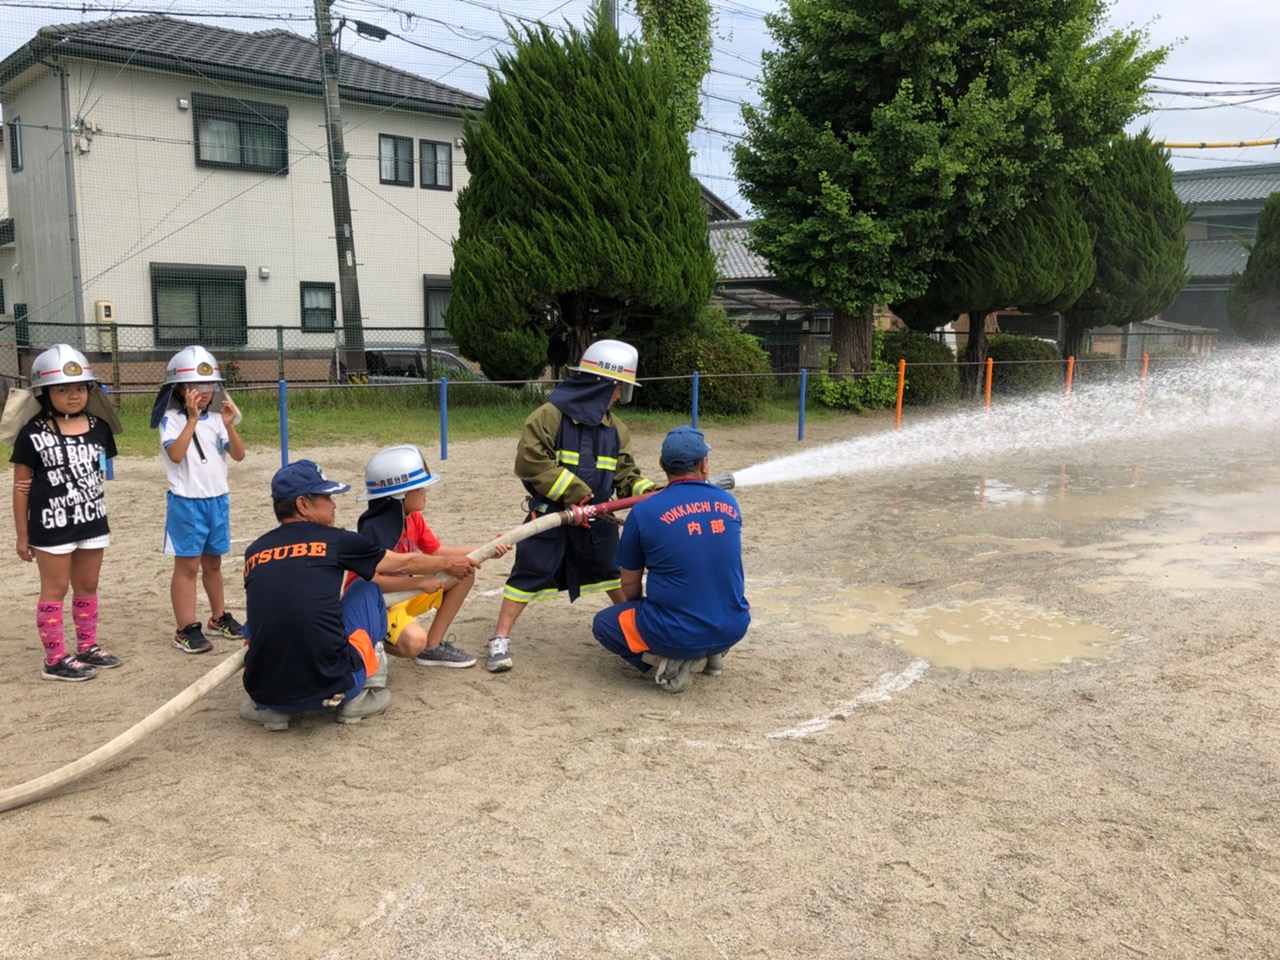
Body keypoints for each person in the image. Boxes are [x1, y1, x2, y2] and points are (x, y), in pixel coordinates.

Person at [239, 460, 481, 731]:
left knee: (265, 608)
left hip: (264, 692)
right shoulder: (336, 540)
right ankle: (366, 689)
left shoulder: (254, 552)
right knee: (366, 589)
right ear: (303, 505)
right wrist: (447, 565)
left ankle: (272, 710)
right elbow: (404, 563)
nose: (333, 504)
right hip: (336, 686)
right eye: (326, 497)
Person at [485, 339, 656, 673]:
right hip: (549, 518)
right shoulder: (548, 417)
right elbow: (531, 462)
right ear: (600, 385)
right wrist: (576, 493)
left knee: (611, 574)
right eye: (618, 388)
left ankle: (640, 632)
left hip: (598, 521)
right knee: (529, 573)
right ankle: (499, 637)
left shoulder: (615, 428)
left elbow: (627, 474)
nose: (620, 395)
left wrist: (651, 492)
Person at [591, 425, 750, 693]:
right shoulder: (729, 503)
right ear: (705, 465)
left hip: (675, 632)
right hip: (734, 625)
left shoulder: (644, 511)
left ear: (662, 464)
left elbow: (628, 582)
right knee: (712, 591)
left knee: (605, 624)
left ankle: (672, 660)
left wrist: (638, 610)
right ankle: (713, 653)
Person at [8, 344, 124, 681]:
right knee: (55, 588)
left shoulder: (99, 427)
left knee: (88, 585)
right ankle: (54, 659)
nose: (73, 396)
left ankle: (86, 646)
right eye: (62, 389)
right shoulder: (31, 434)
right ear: (44, 393)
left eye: (79, 388)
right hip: (50, 525)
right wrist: (22, 535)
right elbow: (21, 488)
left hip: (91, 520)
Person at [350, 444, 509, 669]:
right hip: (377, 602)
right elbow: (369, 581)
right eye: (420, 488)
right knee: (414, 641)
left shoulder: (413, 518)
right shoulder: (374, 532)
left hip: (405, 592)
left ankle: (432, 648)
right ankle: (369, 639)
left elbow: (438, 552)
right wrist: (419, 581)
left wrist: (489, 549)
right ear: (399, 495)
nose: (426, 492)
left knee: (464, 573)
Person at [151, 345, 246, 654]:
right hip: (186, 502)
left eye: (209, 385)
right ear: (178, 387)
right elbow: (176, 455)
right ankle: (185, 629)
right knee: (188, 567)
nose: (203, 392)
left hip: (217, 500)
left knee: (214, 564)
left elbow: (239, 455)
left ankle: (218, 617)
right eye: (195, 385)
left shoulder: (218, 417)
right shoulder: (172, 419)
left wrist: (229, 425)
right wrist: (192, 419)